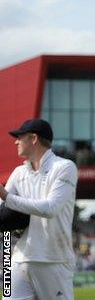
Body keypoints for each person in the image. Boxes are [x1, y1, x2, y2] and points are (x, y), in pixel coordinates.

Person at [0, 118, 78, 300]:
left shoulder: (65, 167)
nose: (16, 141)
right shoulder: (19, 173)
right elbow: (2, 209)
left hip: (53, 260)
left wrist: (7, 197)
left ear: (34, 138)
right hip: (19, 259)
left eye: (20, 137)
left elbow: (51, 208)